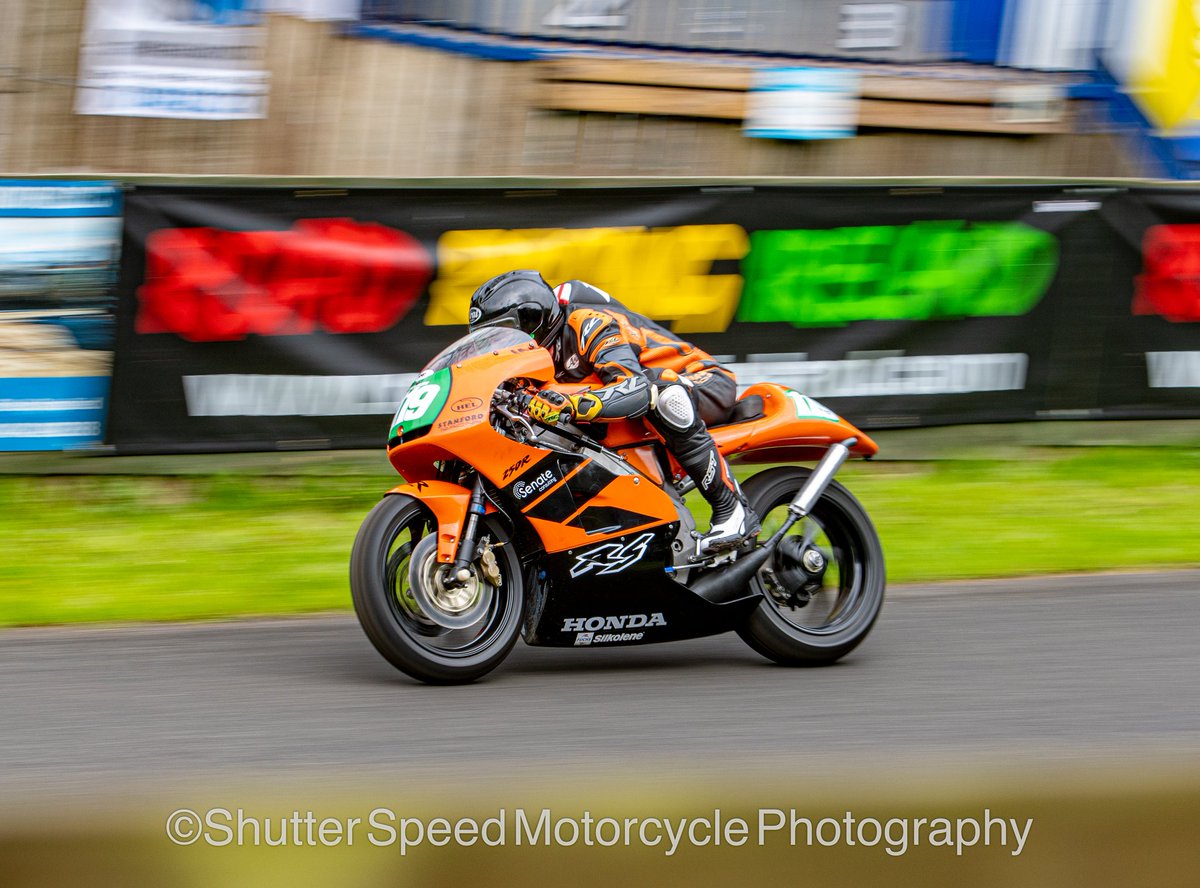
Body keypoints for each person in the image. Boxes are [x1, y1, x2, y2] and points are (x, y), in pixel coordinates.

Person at [467, 269, 759, 556]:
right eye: (488, 339)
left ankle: (731, 509)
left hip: (702, 380)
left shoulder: (586, 322)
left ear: (533, 318)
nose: (497, 345)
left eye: (503, 333)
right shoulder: (526, 365)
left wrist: (571, 405)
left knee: (662, 390)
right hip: (636, 417)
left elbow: (633, 386)